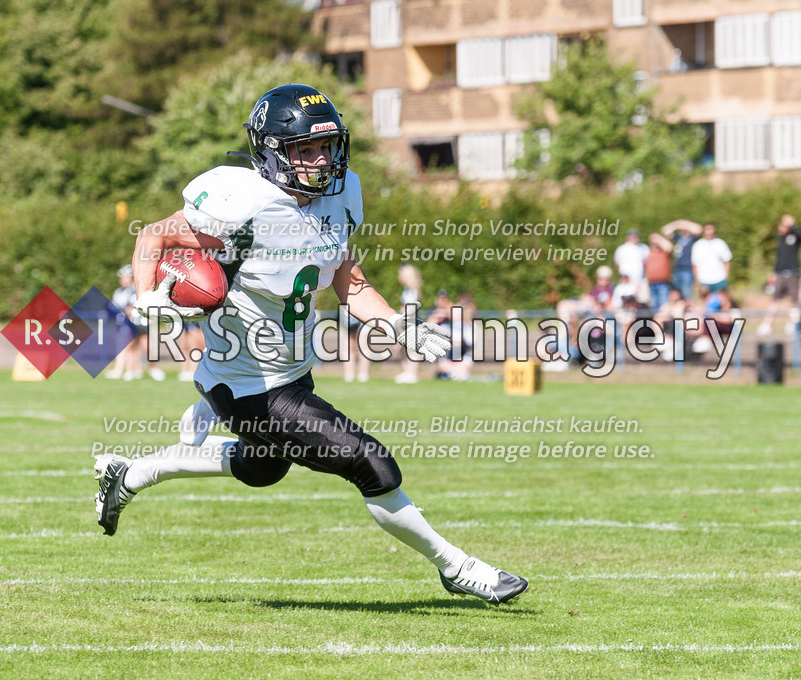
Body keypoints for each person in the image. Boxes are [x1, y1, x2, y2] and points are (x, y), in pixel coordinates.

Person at [93, 84, 528, 604]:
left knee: (263, 468)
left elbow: (345, 275)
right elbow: (154, 238)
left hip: (291, 369)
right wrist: (146, 299)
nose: (319, 160)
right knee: (370, 462)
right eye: (303, 150)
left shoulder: (341, 196)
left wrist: (398, 324)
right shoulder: (241, 201)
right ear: (271, 151)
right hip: (251, 382)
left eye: (325, 147)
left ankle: (131, 472)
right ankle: (455, 565)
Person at [758, 215, 801, 336]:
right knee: (775, 299)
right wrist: (774, 272)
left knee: (794, 301)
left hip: (793, 273)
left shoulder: (794, 236)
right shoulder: (780, 238)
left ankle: (792, 324)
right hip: (780, 274)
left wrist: (792, 225)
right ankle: (767, 324)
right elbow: (779, 258)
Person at [393, 262, 423, 384]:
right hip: (407, 320)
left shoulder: (412, 290)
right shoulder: (409, 289)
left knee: (410, 349)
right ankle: (408, 372)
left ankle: (412, 373)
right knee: (405, 349)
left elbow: (410, 308)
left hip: (409, 321)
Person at [661, 220, 702, 300]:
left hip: (687, 268)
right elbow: (665, 230)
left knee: (687, 291)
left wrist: (685, 224)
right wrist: (677, 224)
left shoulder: (692, 239)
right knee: (677, 291)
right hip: (677, 269)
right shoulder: (678, 239)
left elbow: (699, 229)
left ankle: (689, 309)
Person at [690, 223, 732, 296]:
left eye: (711, 229)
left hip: (719, 279)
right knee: (706, 304)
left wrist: (726, 277)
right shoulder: (698, 245)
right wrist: (697, 280)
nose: (709, 232)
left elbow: (726, 261)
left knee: (723, 302)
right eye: (707, 229)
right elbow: (694, 265)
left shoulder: (720, 243)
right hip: (704, 280)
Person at [644, 232, 673, 312]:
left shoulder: (664, 253)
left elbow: (669, 247)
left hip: (663, 283)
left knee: (664, 306)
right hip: (652, 284)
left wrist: (658, 238)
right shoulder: (649, 253)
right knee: (654, 307)